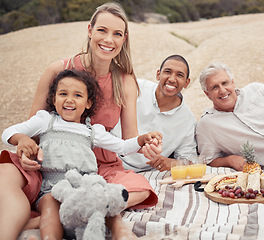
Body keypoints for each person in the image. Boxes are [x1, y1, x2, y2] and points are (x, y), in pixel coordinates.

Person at [0, 2, 156, 239]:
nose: (108, 39)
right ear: (90, 30)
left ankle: (73, 212)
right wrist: (24, 149)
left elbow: (129, 141)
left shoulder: (125, 82)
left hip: (96, 165)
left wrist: (148, 146)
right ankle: (12, 230)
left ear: (124, 39)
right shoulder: (58, 70)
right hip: (48, 158)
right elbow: (32, 129)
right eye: (102, 30)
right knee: (4, 175)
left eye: (117, 34)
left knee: (141, 188)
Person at [2, 69, 162, 239]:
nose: (69, 99)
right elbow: (8, 132)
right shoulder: (46, 121)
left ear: (88, 103)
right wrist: (22, 139)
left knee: (101, 203)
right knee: (50, 208)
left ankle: (119, 231)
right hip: (53, 188)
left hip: (86, 185)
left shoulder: (92, 131)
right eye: (63, 93)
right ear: (54, 98)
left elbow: (122, 147)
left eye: (78, 95)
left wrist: (142, 139)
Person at [111, 54, 197, 172]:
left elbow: (189, 159)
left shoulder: (188, 121)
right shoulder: (135, 88)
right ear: (158, 74)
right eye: (167, 72)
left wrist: (172, 163)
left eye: (179, 75)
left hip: (146, 172)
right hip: (110, 159)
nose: (172, 79)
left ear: (187, 83)